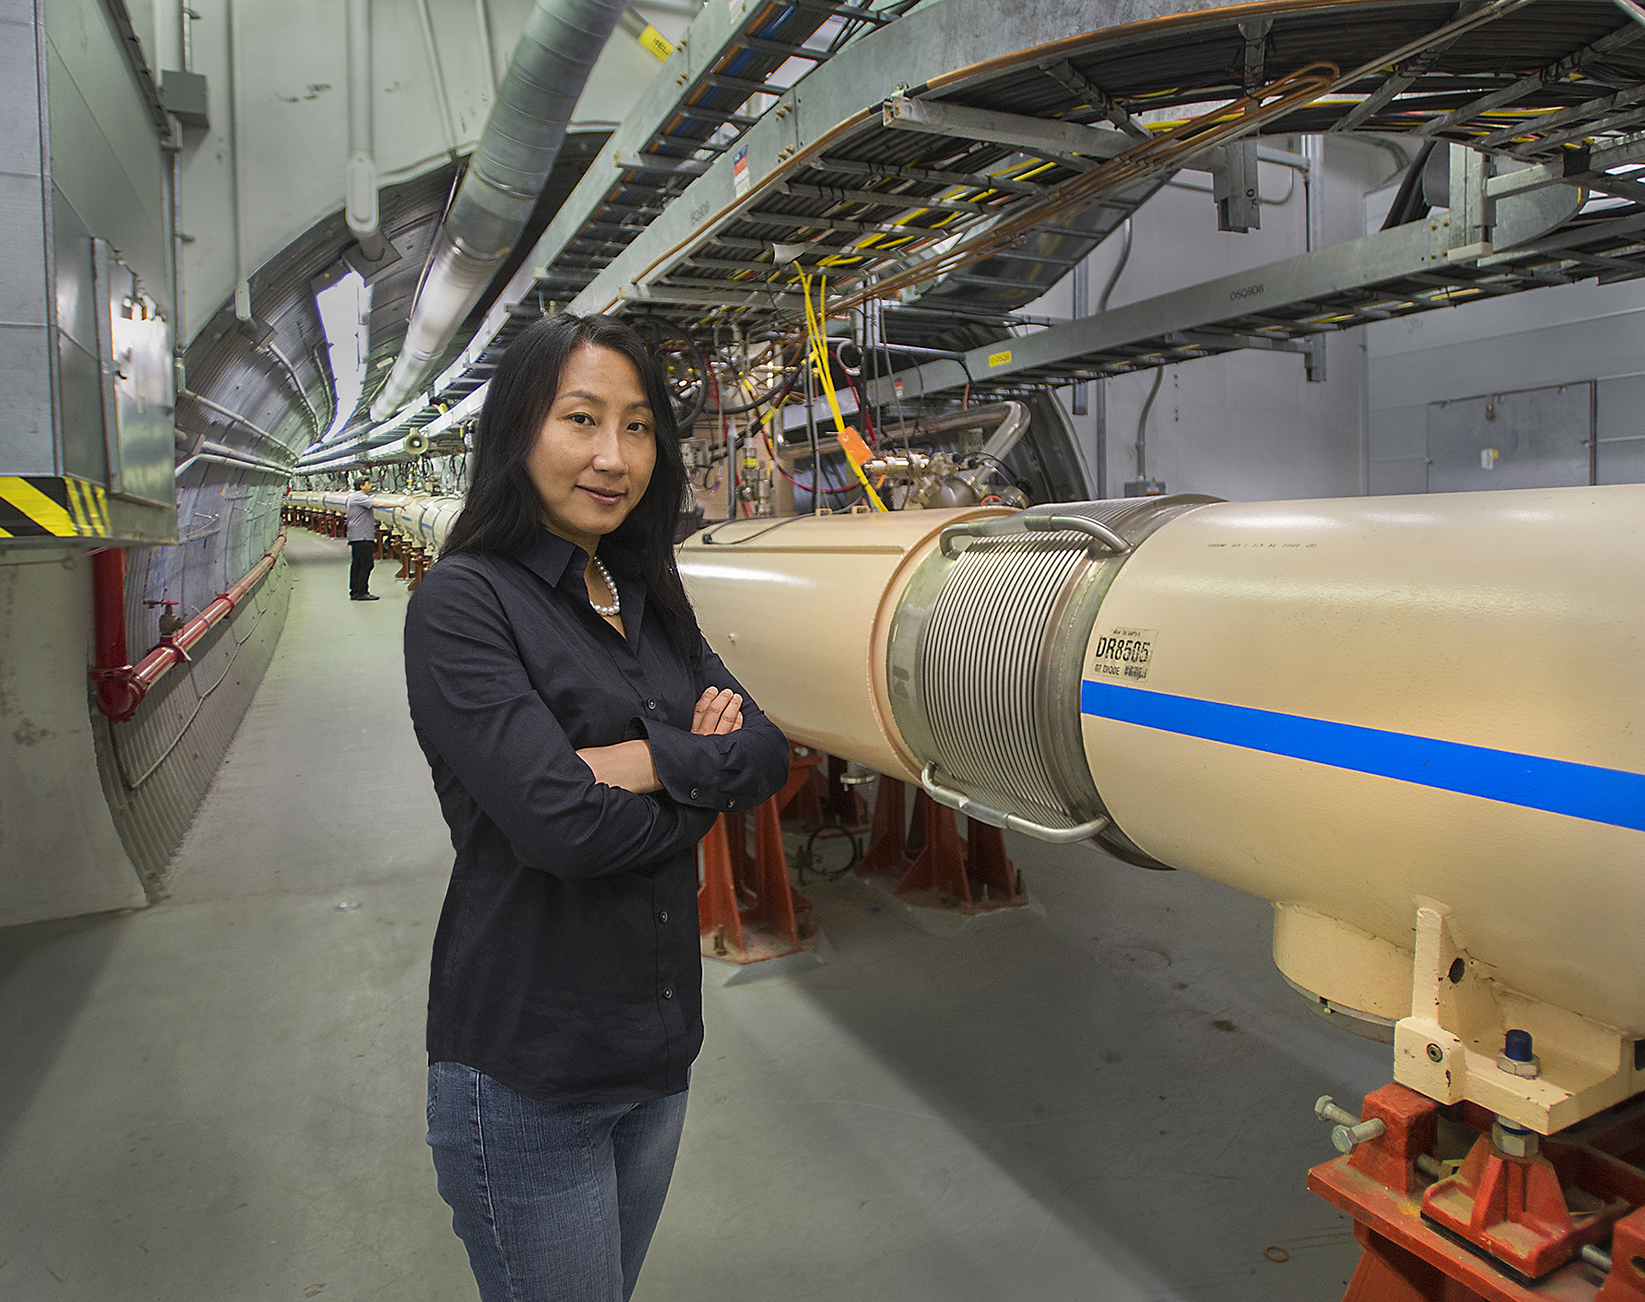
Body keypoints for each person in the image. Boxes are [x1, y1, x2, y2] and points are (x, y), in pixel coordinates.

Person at [402, 313, 789, 1302]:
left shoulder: (647, 593)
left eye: (638, 426)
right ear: (518, 429)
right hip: (529, 1073)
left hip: (655, 1051)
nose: (613, 456)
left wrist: (642, 762)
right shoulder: (464, 603)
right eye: (581, 419)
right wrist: (695, 772)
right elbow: (563, 829)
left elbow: (764, 753)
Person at [345, 477, 379, 600]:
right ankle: (361, 592)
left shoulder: (354, 497)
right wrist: (399, 504)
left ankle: (355, 592)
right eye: (368, 483)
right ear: (361, 486)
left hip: (357, 536)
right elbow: (377, 504)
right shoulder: (359, 497)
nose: (371, 485)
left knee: (357, 565)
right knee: (367, 564)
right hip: (362, 536)